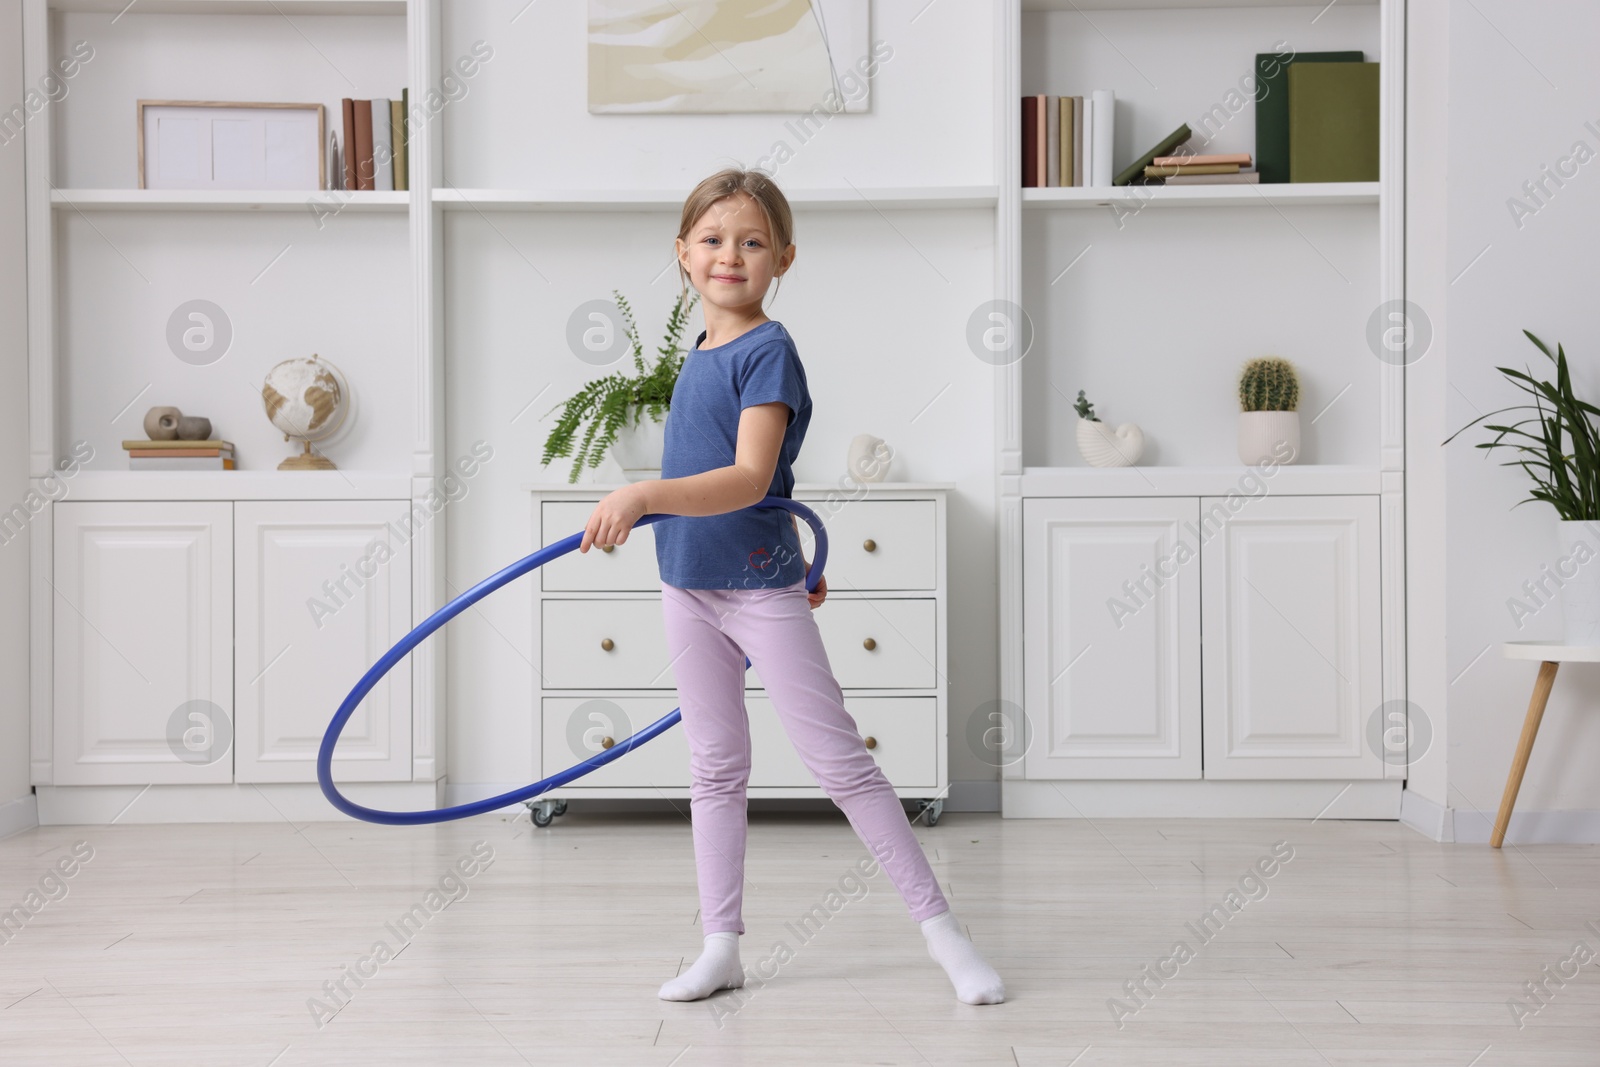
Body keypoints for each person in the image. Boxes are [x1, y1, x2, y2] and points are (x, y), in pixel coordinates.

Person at [579, 167, 1004, 1007]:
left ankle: (945, 935)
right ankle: (721, 944)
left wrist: (641, 495)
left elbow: (746, 478)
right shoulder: (698, 352)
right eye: (711, 239)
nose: (729, 255)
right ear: (681, 254)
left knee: (840, 762)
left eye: (751, 241)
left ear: (783, 258)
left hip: (757, 583)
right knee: (715, 767)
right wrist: (662, 514)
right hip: (687, 581)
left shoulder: (769, 350)